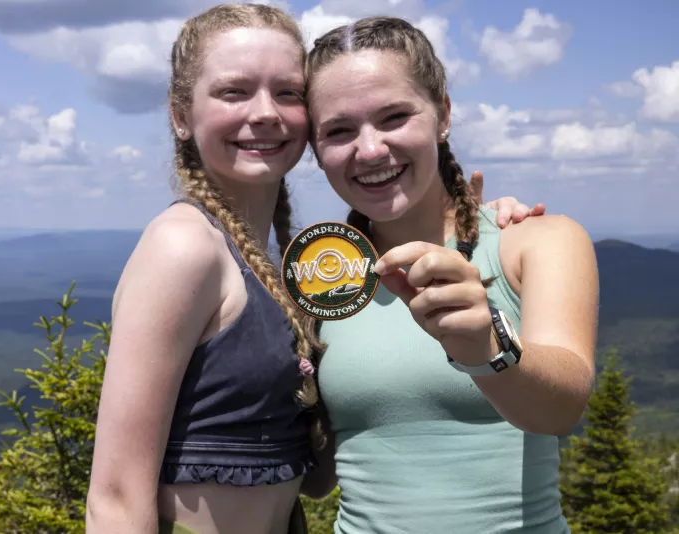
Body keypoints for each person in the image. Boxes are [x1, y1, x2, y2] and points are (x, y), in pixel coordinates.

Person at [84, 5, 543, 534]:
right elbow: (116, 498)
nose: (265, 113)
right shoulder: (183, 245)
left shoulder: (273, 266)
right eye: (234, 91)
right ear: (180, 115)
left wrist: (476, 225)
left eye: (287, 93)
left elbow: (315, 477)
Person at [300, 16, 599, 533]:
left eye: (394, 116)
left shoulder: (535, 241)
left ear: (443, 115)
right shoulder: (321, 278)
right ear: (316, 149)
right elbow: (319, 477)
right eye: (339, 130)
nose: (369, 149)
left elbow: (560, 410)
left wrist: (484, 345)